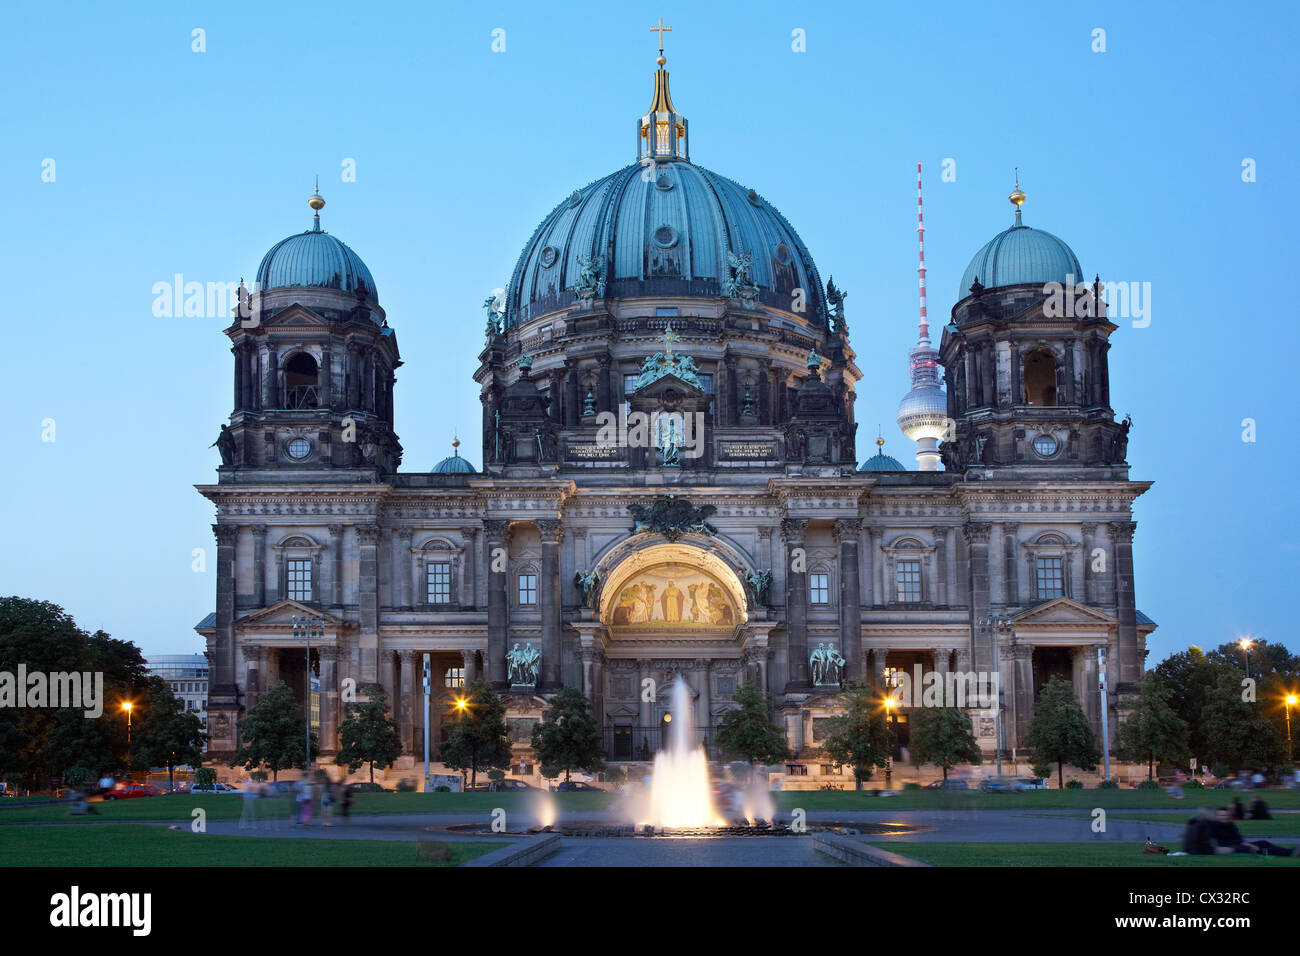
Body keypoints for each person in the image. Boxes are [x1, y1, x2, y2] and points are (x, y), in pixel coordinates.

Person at [1209, 807, 1296, 856]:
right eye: (1221, 815)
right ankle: (1288, 853)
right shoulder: (1215, 825)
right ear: (1218, 816)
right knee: (1258, 849)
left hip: (1240, 844)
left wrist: (1246, 843)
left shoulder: (1231, 824)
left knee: (1263, 843)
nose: (1224, 817)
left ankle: (1289, 851)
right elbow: (1225, 841)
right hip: (1230, 847)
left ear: (1228, 815)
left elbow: (1238, 838)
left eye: (1225, 815)